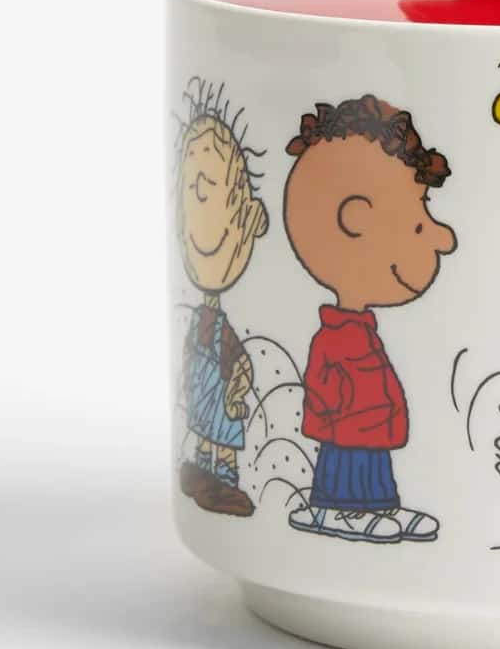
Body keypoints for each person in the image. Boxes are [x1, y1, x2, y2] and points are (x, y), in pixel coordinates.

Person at [282, 95, 457, 544]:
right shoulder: (336, 337)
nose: (444, 240)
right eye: (417, 224)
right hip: (348, 435)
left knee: (373, 471)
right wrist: (337, 421)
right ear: (355, 220)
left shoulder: (361, 332)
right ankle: (335, 508)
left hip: (369, 432)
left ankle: (378, 507)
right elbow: (321, 390)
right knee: (347, 468)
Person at [174, 80, 270, 516]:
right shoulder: (200, 319)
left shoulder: (221, 330)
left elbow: (238, 361)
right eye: (191, 189)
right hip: (203, 398)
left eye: (209, 187)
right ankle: (206, 473)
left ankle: (226, 480)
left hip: (222, 397)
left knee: (224, 437)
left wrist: (238, 386)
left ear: (249, 219)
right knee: (205, 432)